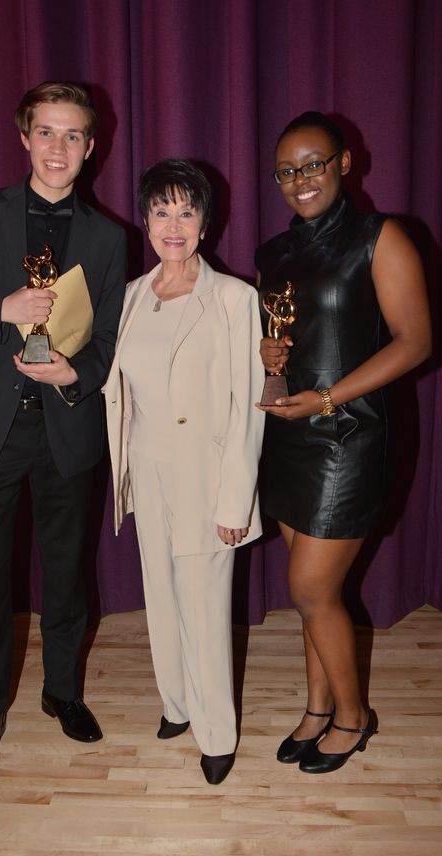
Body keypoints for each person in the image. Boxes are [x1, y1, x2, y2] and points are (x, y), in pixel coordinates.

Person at [0, 82, 126, 780]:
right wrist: (1, 308)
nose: (59, 147)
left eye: (73, 135)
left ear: (91, 147)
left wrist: (77, 376)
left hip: (67, 430)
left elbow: (113, 342)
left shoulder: (108, 237)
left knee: (67, 577)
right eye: (47, 132)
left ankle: (63, 694)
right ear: (24, 138)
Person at [256, 112, 431, 773]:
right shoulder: (271, 255)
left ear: (345, 163)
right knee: (312, 592)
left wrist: (330, 398)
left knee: (310, 588)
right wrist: (271, 358)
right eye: (286, 170)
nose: (300, 180)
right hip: (291, 434)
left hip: (350, 435)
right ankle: (318, 707)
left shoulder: (380, 238)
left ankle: (354, 718)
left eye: (313, 164)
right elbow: (286, 341)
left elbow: (417, 341)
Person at [104, 159, 264, 784]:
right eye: (162, 211)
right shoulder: (130, 297)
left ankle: (216, 732)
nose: (174, 225)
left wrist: (235, 505)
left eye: (186, 211)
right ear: (146, 219)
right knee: (160, 595)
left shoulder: (233, 298)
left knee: (204, 603)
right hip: (148, 468)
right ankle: (175, 704)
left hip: (207, 472)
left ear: (206, 221)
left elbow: (249, 410)